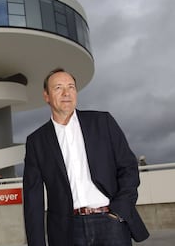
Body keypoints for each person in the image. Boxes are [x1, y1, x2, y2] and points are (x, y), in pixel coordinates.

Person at [23, 68, 149, 246]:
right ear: (47, 96)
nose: (66, 93)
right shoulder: (36, 141)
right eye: (58, 88)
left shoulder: (102, 122)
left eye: (71, 87)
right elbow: (32, 198)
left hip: (111, 222)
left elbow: (128, 168)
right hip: (67, 230)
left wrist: (120, 210)